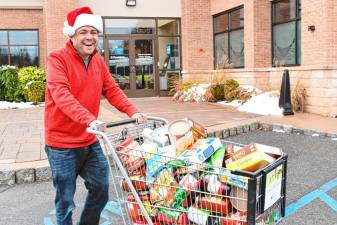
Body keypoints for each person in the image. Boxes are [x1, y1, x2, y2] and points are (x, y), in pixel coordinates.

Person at [44, 6, 146, 225]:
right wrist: (89, 118)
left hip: (89, 140)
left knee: (101, 189)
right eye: (83, 32)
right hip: (62, 144)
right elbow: (61, 94)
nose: (90, 37)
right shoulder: (57, 59)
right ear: (72, 34)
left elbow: (112, 89)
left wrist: (133, 111)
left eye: (94, 32)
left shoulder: (97, 60)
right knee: (65, 200)